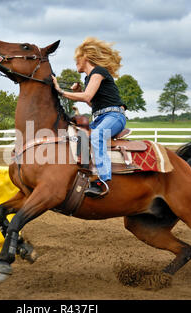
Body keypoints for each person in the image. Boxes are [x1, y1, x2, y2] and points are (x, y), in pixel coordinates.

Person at [52, 37, 127, 198]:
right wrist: (79, 90)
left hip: (115, 116)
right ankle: (81, 174)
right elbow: (93, 104)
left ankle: (102, 180)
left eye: (77, 58)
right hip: (101, 116)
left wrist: (61, 91)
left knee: (98, 135)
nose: (75, 62)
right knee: (77, 137)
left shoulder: (99, 72)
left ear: (85, 56)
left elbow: (87, 97)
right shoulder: (89, 78)